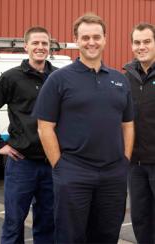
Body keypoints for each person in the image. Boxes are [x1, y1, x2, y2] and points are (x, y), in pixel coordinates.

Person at [32, 13, 134, 244]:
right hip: (74, 172)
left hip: (113, 174)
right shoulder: (58, 79)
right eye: (85, 37)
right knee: (70, 236)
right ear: (76, 40)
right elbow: (44, 127)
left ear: (105, 39)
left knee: (107, 235)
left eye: (96, 37)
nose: (91, 42)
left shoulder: (119, 80)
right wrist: (59, 166)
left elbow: (127, 124)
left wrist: (125, 160)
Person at [0, 26, 56, 244]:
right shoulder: (12, 78)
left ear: (49, 47)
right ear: (26, 46)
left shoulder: (59, 77)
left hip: (51, 164)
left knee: (48, 222)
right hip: (21, 163)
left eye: (44, 43)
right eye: (35, 43)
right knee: (14, 222)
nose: (40, 47)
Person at [124, 23, 155, 244]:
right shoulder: (125, 78)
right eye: (137, 42)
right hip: (135, 165)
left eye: (147, 41)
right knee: (140, 218)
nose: (141, 46)